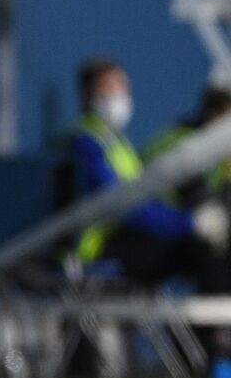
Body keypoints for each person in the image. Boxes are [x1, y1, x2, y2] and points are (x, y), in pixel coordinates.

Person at [67, 60, 228, 287]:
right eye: (108, 87)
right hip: (100, 247)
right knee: (199, 250)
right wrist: (189, 224)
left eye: (122, 87)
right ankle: (213, 321)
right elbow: (122, 203)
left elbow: (146, 200)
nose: (117, 94)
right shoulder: (86, 142)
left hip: (130, 235)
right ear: (87, 94)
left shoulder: (117, 143)